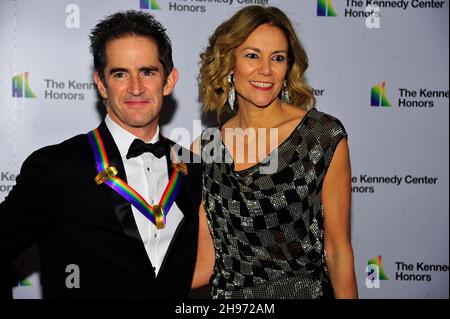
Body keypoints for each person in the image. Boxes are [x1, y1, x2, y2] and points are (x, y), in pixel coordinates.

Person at [0, 10, 201, 299]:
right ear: (101, 84)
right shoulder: (56, 167)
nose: (135, 88)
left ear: (168, 81)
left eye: (147, 72)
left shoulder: (193, 167)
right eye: (120, 74)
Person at [191, 5, 358, 299]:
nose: (266, 70)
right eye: (252, 55)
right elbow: (207, 261)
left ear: (287, 66)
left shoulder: (320, 137)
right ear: (229, 62)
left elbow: (338, 251)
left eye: (277, 58)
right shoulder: (206, 150)